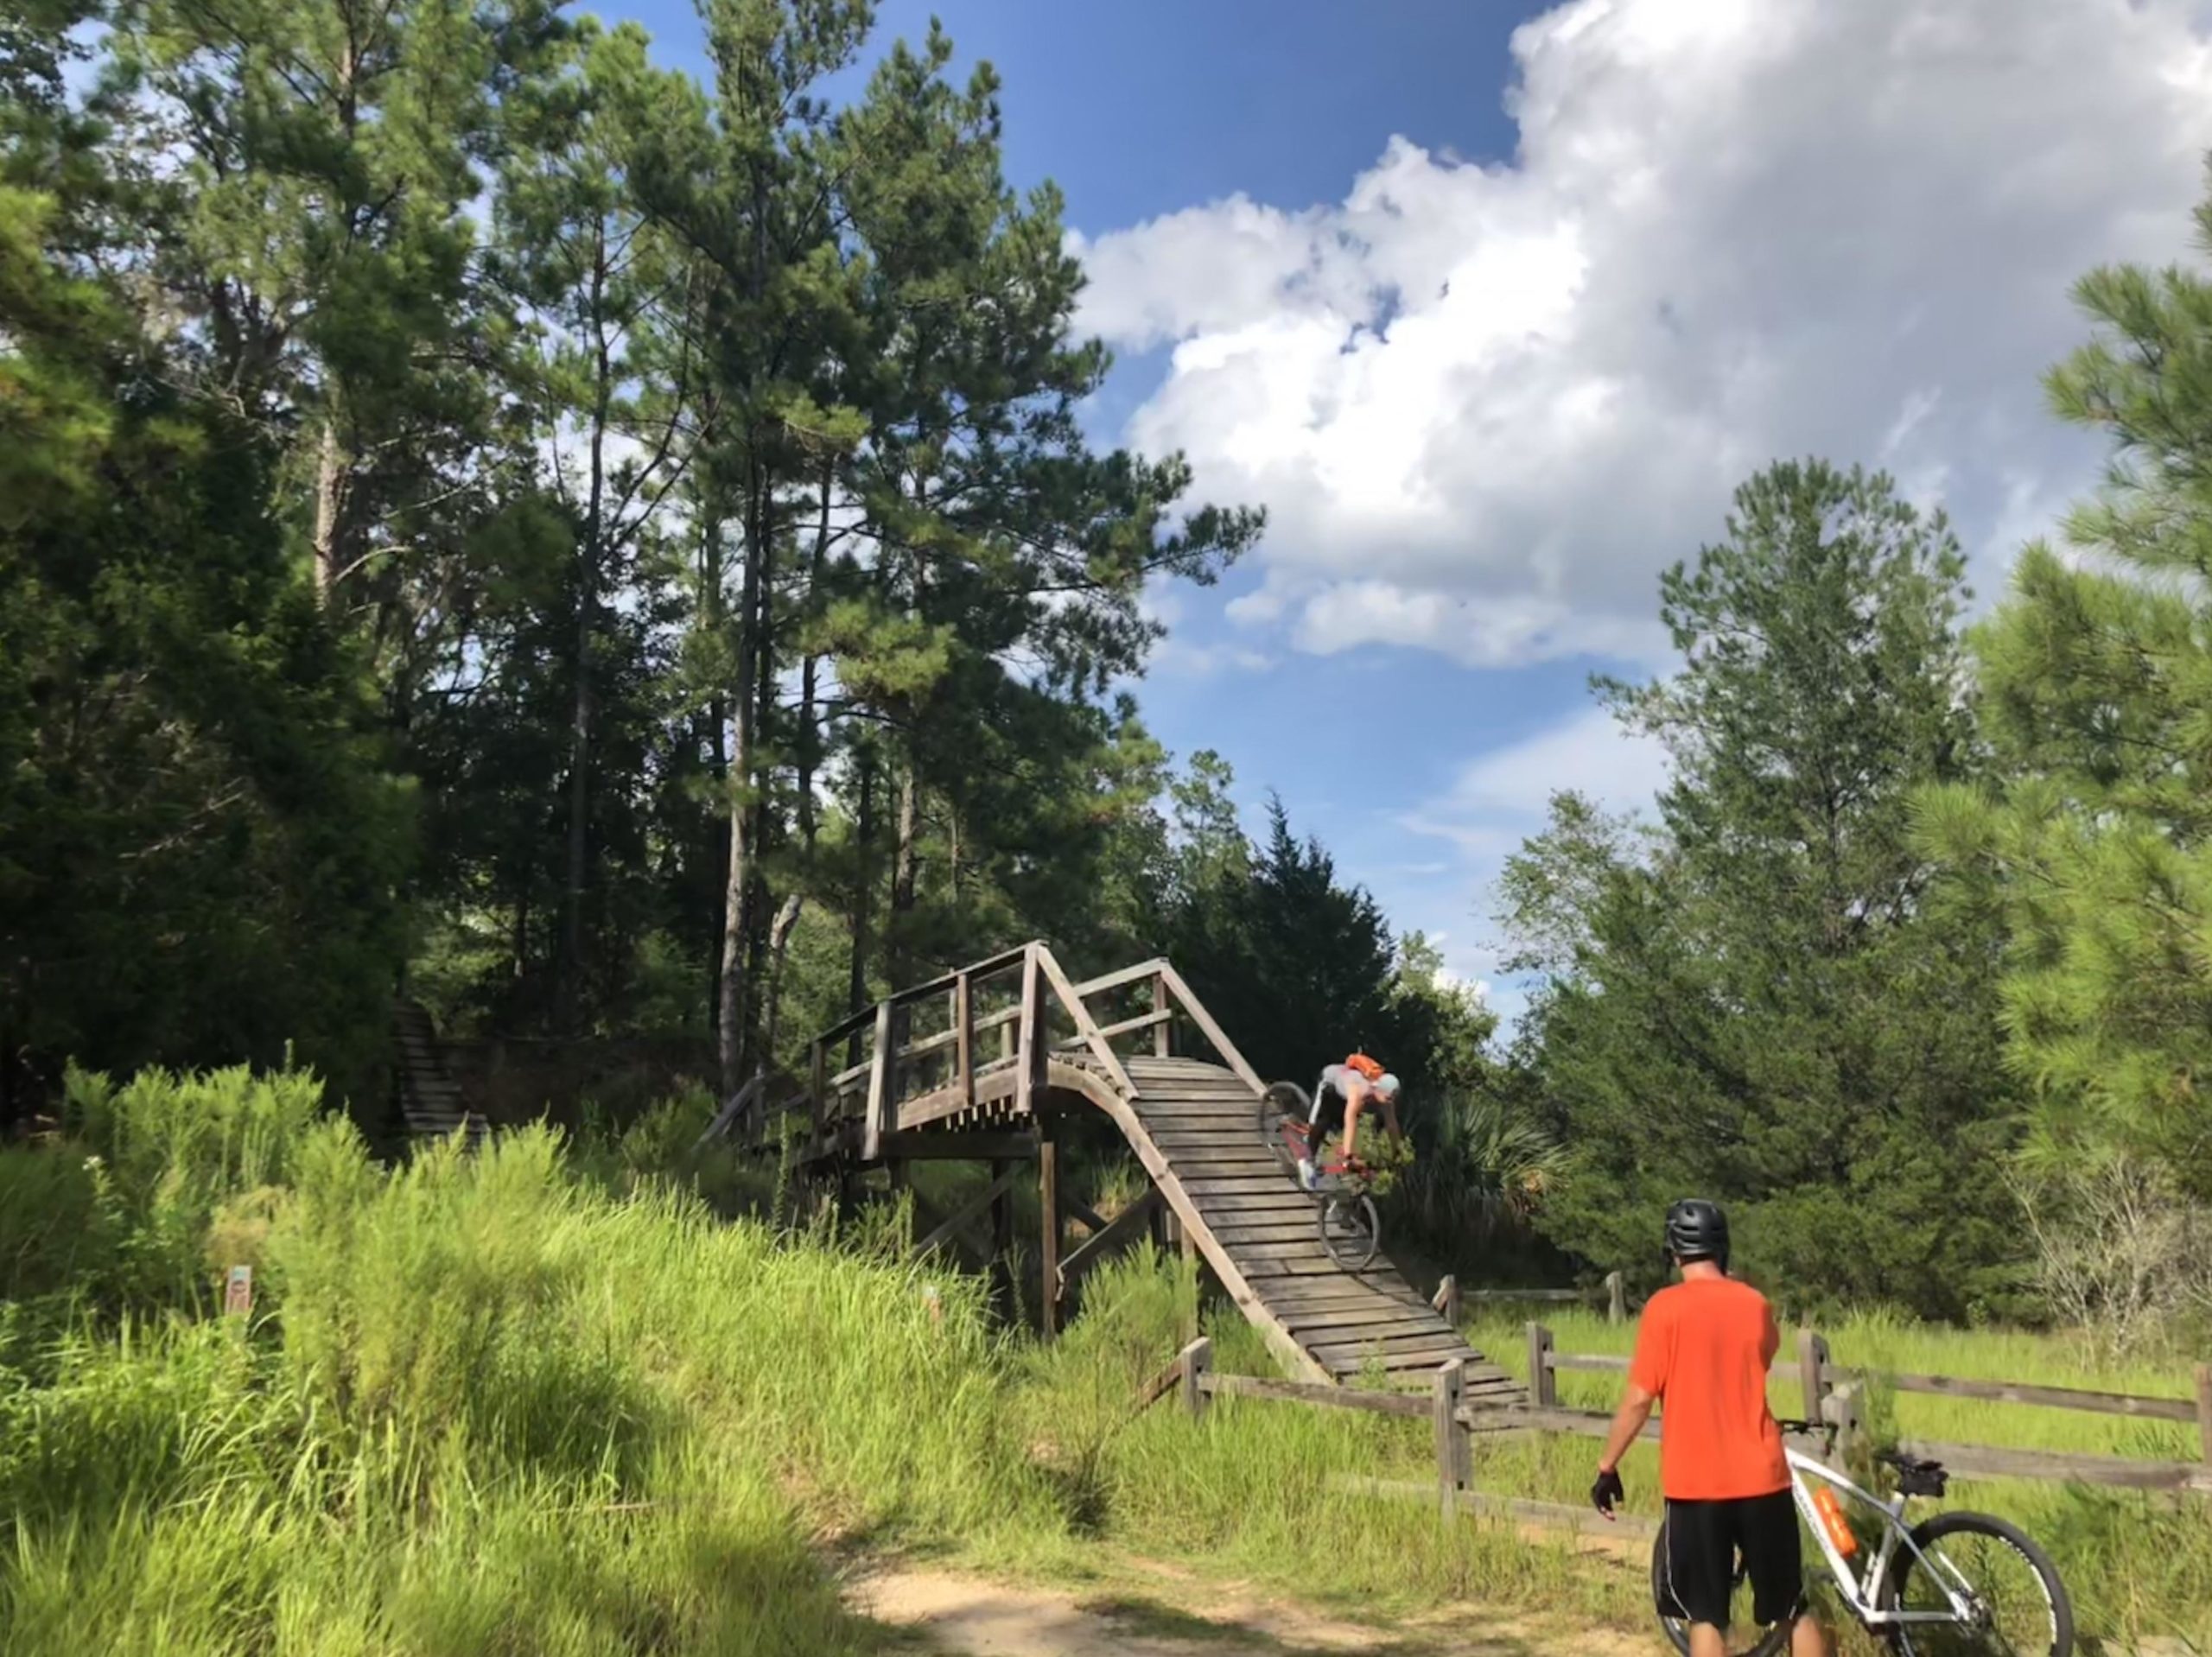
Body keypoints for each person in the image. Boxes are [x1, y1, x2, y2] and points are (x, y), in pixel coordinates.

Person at [1590, 1199, 1827, 1657]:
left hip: (1697, 1484)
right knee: (1792, 1606)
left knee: (1705, 1616)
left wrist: (1608, 1465)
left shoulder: (1664, 1310)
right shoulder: (1755, 1304)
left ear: (1674, 1251)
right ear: (1723, 1249)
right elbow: (1763, 1354)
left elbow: (1640, 1398)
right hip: (1763, 1477)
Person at [1296, 1053, 1402, 1190]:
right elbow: (1350, 1119)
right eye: (1388, 1098)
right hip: (1329, 1085)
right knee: (1320, 1123)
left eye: (1392, 1099)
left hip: (1342, 1096)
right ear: (1378, 1089)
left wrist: (1397, 1153)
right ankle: (1307, 1159)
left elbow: (1392, 1126)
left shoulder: (1385, 1097)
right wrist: (1348, 1155)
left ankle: (1331, 1163)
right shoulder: (1358, 1092)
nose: (1390, 1103)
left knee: (1344, 1134)